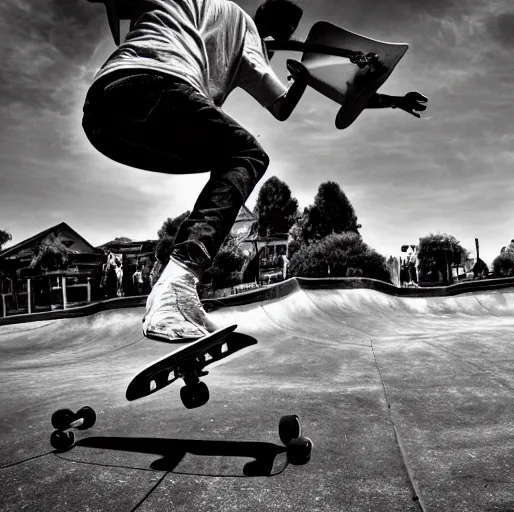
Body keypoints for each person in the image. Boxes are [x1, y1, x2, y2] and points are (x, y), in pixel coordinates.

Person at [82, 0, 427, 341]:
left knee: (228, 155)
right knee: (247, 156)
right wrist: (307, 82)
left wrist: (311, 80)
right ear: (270, 29)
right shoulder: (247, 32)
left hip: (104, 115)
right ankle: (176, 285)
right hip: (159, 87)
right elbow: (284, 107)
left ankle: (179, 292)